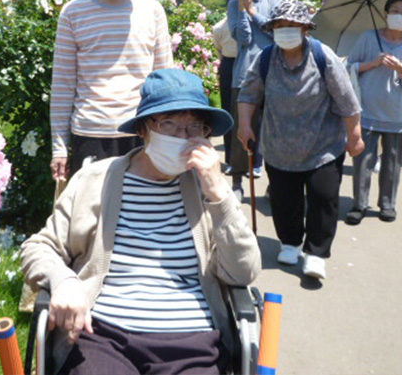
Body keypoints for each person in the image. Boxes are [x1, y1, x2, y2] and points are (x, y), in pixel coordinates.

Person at [22, 68, 261, 375]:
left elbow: (244, 271)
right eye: (169, 124)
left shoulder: (210, 190)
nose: (182, 137)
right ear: (144, 129)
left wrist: (219, 196)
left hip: (193, 340)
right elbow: (39, 247)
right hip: (103, 336)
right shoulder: (95, 180)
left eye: (194, 127)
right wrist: (63, 281)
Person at [237, 0, 364, 280]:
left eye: (293, 26)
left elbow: (347, 100)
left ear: (306, 29)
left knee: (323, 198)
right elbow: (248, 94)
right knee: (284, 200)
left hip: (323, 145)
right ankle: (290, 243)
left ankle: (317, 253)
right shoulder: (266, 58)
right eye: (281, 26)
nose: (286, 31)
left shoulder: (323, 56)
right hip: (279, 146)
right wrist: (244, 124)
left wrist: (355, 135)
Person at [50, 0, 173, 183]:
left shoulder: (152, 11)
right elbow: (62, 84)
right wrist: (59, 147)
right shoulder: (73, 12)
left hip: (141, 132)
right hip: (90, 133)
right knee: (93, 220)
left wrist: (167, 136)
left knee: (140, 217)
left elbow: (164, 81)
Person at [346, 0, 402, 224]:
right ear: (386, 13)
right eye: (395, 11)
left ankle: (388, 204)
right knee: (363, 160)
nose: (399, 15)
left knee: (392, 162)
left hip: (396, 112)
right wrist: (373, 63)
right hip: (366, 109)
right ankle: (359, 204)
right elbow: (349, 66)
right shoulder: (368, 38)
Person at [226, 0, 283, 195]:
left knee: (274, 132)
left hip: (274, 73)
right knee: (242, 130)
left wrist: (253, 12)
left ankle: (275, 182)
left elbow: (278, 32)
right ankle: (237, 180)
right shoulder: (232, 4)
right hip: (244, 75)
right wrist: (241, 10)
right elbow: (244, 39)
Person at [211, 0, 238, 169]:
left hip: (250, 64)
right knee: (229, 110)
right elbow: (219, 50)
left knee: (254, 113)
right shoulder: (219, 27)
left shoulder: (250, 23)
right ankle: (230, 159)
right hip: (229, 64)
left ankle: (256, 161)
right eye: (231, 3)